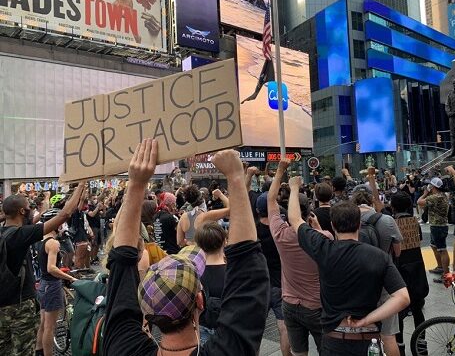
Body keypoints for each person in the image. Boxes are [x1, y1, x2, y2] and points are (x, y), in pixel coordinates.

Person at [102, 141, 270, 355]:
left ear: (146, 308)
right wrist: (236, 176)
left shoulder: (123, 348)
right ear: (200, 301)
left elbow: (120, 263)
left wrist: (135, 184)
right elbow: (248, 272)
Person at [287, 176, 410, 355]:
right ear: (359, 224)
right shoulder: (379, 256)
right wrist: (367, 319)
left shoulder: (323, 249)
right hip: (368, 342)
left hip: (333, 341)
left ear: (333, 225)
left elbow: (294, 219)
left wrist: (293, 188)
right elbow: (403, 298)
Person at [0, 183, 85, 356]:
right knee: (24, 351)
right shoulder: (20, 235)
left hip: (2, 305)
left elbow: (37, 216)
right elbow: (64, 215)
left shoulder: (6, 233)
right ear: (22, 212)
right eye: (29, 207)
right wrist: (81, 185)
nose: (32, 210)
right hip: (20, 307)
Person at [268, 159, 330, 356]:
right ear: (310, 212)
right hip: (316, 305)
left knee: (298, 352)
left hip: (289, 304)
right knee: (325, 350)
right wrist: (318, 229)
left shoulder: (280, 234)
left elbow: (271, 200)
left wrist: (280, 170)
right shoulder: (324, 237)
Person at [351, 188, 403, 356]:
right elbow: (398, 252)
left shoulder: (348, 220)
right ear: (372, 201)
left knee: (360, 334)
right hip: (385, 281)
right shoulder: (387, 220)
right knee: (388, 336)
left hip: (358, 284)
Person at [389, 192, 428, 356]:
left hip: (399, 271)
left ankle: (401, 347)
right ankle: (421, 346)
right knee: (418, 310)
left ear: (393, 207)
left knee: (398, 314)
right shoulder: (414, 222)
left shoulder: (391, 224)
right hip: (417, 270)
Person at [35, 209, 78, 356]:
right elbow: (51, 268)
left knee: (43, 324)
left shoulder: (41, 240)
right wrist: (70, 278)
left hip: (43, 284)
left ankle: (39, 351)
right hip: (52, 285)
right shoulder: (53, 243)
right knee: (50, 327)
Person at [255, 190, 291, 356]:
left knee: (255, 329)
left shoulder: (253, 231)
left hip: (259, 285)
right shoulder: (282, 230)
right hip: (280, 283)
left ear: (258, 210)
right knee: (284, 327)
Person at [194, 223, 227, 345]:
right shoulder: (233, 273)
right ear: (224, 241)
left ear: (199, 245)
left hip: (203, 325)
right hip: (227, 326)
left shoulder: (194, 273)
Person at [418, 177, 450, 282]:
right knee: (434, 246)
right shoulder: (442, 195)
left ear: (433, 187)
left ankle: (446, 275)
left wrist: (425, 193)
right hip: (438, 225)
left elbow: (419, 202)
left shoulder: (435, 197)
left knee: (442, 249)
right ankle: (440, 267)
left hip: (438, 226)